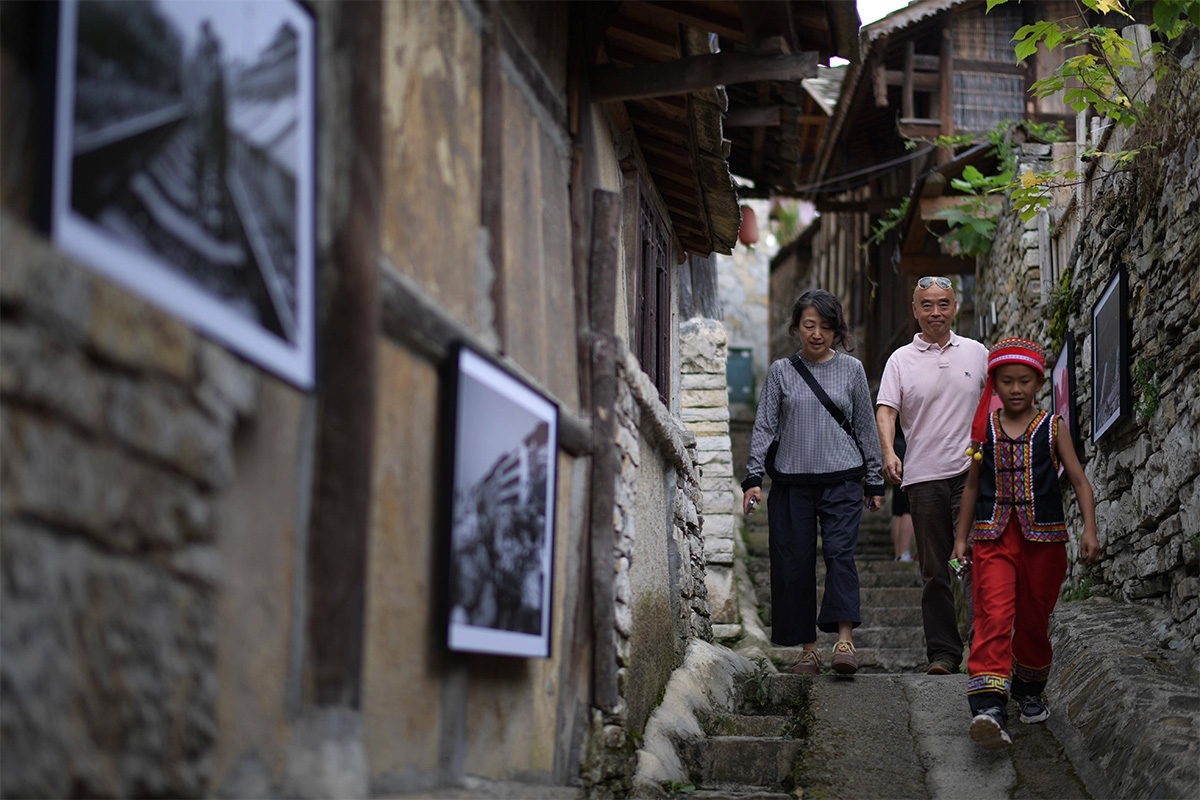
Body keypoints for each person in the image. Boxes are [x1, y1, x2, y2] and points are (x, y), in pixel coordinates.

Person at [950, 338, 1100, 749]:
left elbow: (1080, 480)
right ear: (993, 385)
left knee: (1034, 620)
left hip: (1044, 542)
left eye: (1024, 381)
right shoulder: (985, 431)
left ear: (1038, 382)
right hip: (993, 538)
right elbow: (971, 487)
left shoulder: (1054, 428)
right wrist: (960, 539)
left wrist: (1089, 528)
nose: (1016, 389)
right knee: (994, 614)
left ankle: (1029, 690)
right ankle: (988, 706)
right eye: (1007, 381)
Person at [742, 290, 885, 676]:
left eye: (825, 326)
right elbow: (764, 426)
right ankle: (808, 651)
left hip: (842, 480)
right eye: (809, 325)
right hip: (791, 482)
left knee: (841, 555)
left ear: (837, 330)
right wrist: (753, 477)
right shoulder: (780, 372)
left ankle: (844, 642)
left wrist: (874, 480)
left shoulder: (852, 370)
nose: (817, 333)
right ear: (796, 327)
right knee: (794, 563)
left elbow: (865, 428)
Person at [876, 276, 988, 675]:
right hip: (922, 477)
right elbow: (886, 410)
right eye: (927, 305)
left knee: (974, 558)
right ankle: (943, 653)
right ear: (915, 309)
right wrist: (889, 452)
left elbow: (992, 407)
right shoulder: (900, 360)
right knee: (935, 569)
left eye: (943, 304)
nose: (935, 312)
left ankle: (984, 649)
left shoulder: (977, 354)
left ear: (955, 306)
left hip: (970, 473)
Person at [891, 422, 914, 562]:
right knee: (907, 508)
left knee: (898, 508)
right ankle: (905, 552)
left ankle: (898, 553)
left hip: (895, 450)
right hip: (908, 449)